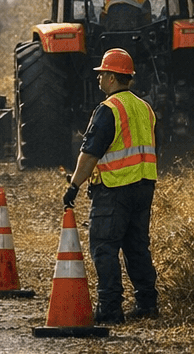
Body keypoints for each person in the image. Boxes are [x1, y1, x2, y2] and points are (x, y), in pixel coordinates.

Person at [61, 48, 159, 325]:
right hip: (144, 186)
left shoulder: (108, 109)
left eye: (102, 73)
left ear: (113, 77)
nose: (99, 79)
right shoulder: (145, 108)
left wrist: (74, 186)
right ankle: (147, 303)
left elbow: (90, 153)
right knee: (137, 246)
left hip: (115, 187)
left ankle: (110, 308)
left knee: (104, 246)